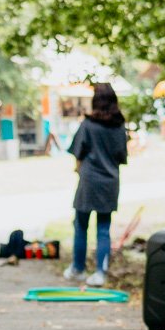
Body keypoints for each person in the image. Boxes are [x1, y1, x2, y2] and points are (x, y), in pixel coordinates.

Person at [64, 82, 130, 286]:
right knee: (104, 228)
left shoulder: (88, 125)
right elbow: (121, 156)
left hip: (89, 180)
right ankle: (101, 272)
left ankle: (78, 268)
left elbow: (78, 152)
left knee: (81, 224)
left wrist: (78, 169)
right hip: (110, 182)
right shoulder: (119, 127)